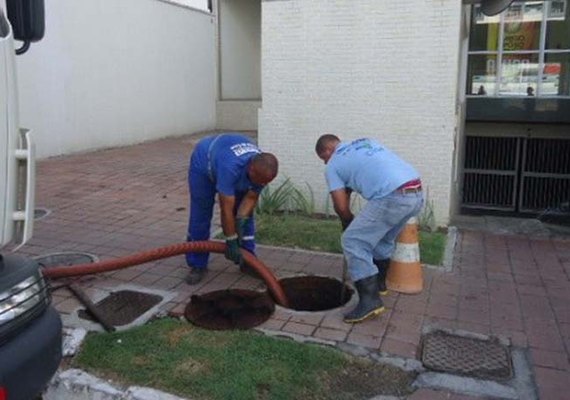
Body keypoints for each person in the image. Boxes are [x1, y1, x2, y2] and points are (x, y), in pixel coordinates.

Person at [315, 134, 423, 323]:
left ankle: (370, 300)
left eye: (323, 159)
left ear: (327, 151)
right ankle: (379, 284)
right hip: (415, 192)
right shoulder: (365, 142)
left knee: (353, 240)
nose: (325, 163)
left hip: (392, 196)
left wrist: (347, 222)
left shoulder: (333, 165)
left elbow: (340, 207)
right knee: (383, 238)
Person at [185, 133, 278, 285]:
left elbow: (251, 198)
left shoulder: (264, 168)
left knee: (247, 219)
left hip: (228, 158)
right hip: (204, 164)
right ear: (251, 170)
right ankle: (197, 264)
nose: (262, 184)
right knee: (201, 215)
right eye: (260, 181)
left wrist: (240, 221)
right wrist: (230, 240)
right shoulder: (230, 167)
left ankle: (248, 260)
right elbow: (225, 209)